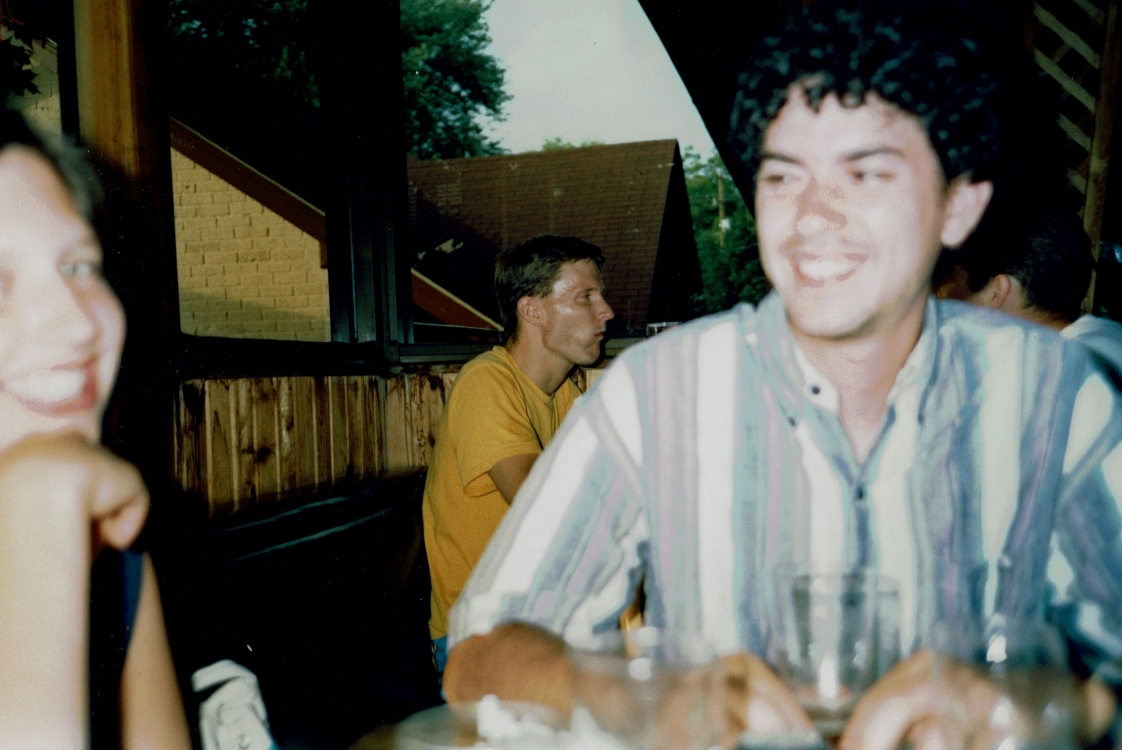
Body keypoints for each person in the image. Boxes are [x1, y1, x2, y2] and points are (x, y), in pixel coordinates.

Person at [441, 5, 1122, 750]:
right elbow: (479, 657)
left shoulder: (1055, 392)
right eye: (783, 176)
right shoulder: (656, 393)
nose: (811, 217)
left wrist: (1045, 704)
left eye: (866, 174)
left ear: (957, 206)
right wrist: (641, 694)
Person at [0, 105, 191, 749]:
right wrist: (30, 503)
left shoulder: (99, 541)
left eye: (78, 267)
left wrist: (40, 506)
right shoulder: (51, 505)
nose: (79, 324)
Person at [422, 235, 614, 671]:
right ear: (532, 310)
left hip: (543, 625)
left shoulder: (563, 395)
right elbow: (538, 503)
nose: (606, 311)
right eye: (585, 297)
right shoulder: (486, 383)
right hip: (483, 637)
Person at [935, 205, 1122, 382]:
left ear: (997, 292)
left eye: (949, 285)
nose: (943, 301)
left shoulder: (1041, 382)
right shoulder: (1109, 340)